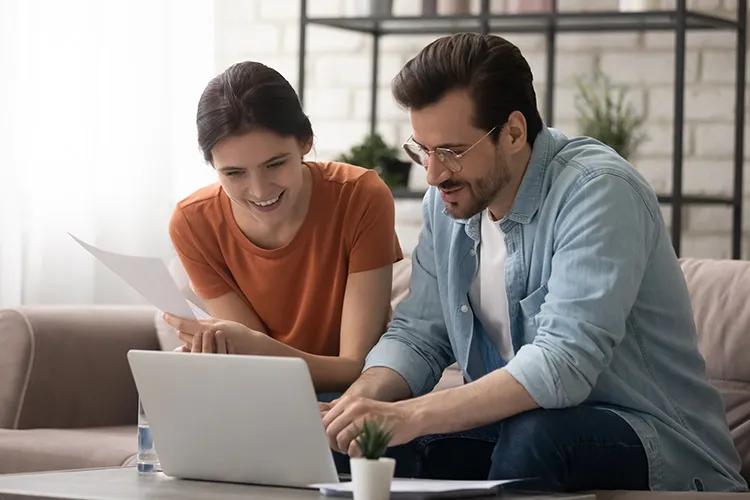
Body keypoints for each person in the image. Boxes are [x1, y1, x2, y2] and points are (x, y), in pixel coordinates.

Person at [319, 33, 748, 493]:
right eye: (423, 150)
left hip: (657, 443)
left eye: (452, 151)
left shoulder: (598, 191)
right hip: (515, 430)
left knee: (536, 437)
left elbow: (563, 363)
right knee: (362, 440)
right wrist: (358, 403)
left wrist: (412, 414)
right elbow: (419, 334)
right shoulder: (446, 205)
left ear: (514, 132)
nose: (433, 173)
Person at [163, 61, 403, 394]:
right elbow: (255, 363)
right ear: (211, 164)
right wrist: (223, 351)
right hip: (263, 395)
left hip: (353, 401)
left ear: (305, 140)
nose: (260, 191)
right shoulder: (192, 223)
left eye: (275, 164)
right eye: (234, 173)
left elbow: (355, 367)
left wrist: (251, 351)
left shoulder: (360, 197)